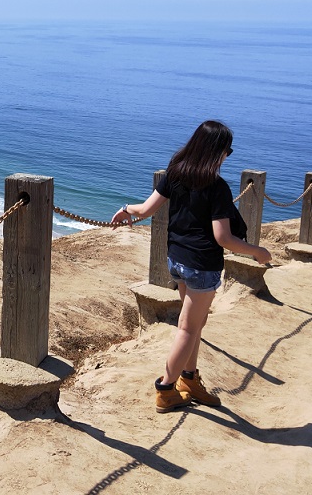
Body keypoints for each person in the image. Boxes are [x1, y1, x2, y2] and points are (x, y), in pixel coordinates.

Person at [112, 120, 272, 413]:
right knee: (188, 328)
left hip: (177, 259)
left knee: (195, 324)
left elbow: (147, 209)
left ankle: (189, 379)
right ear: (216, 151)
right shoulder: (217, 187)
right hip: (202, 265)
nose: (228, 155)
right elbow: (222, 238)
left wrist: (125, 210)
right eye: (228, 150)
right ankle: (166, 389)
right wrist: (257, 252)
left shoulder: (175, 173)